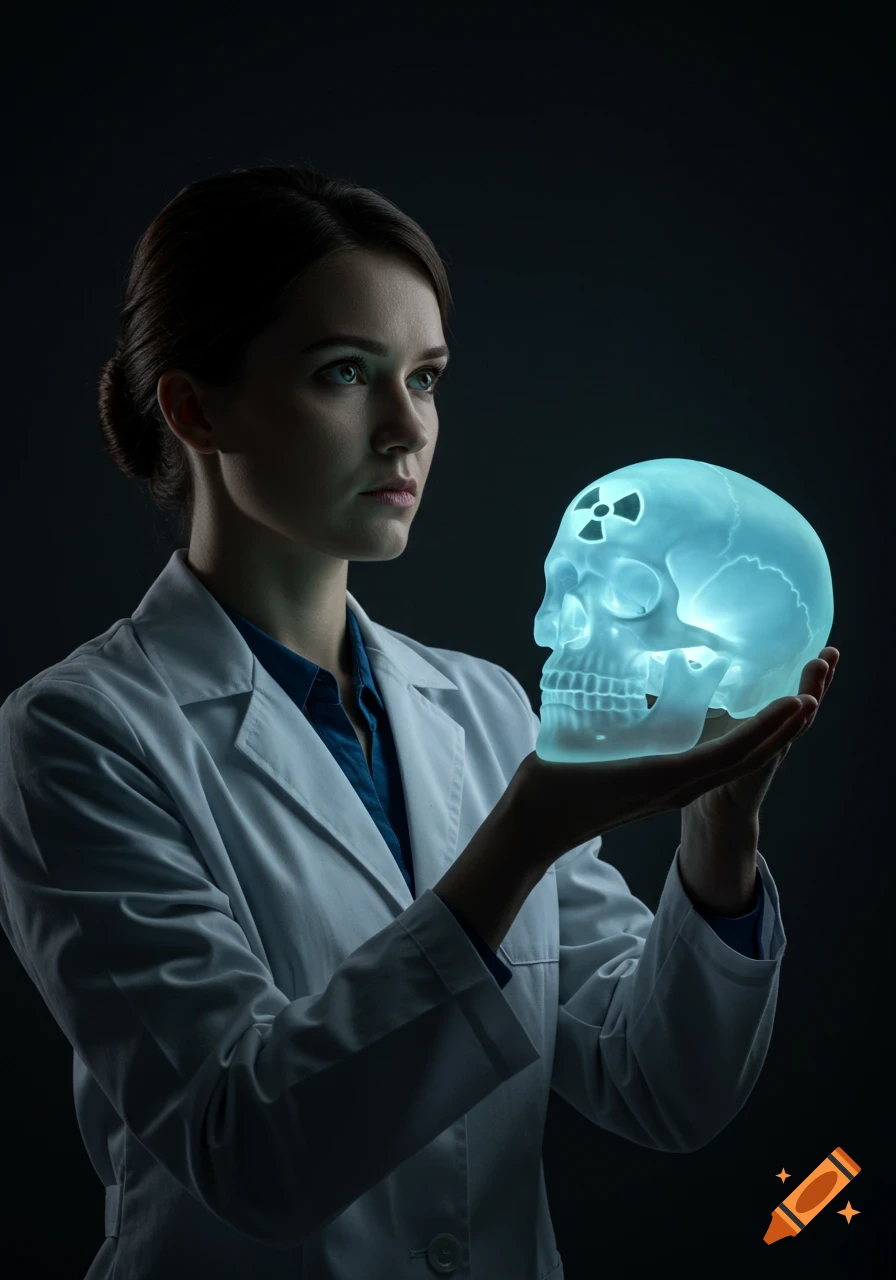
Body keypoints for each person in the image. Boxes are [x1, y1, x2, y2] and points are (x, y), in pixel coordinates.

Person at [0, 163, 833, 1280]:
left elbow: (657, 1084)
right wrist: (519, 837)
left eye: (426, 377)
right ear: (196, 407)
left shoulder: (481, 706)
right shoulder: (78, 733)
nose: (405, 430)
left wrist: (719, 831)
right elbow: (251, 1148)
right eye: (345, 372)